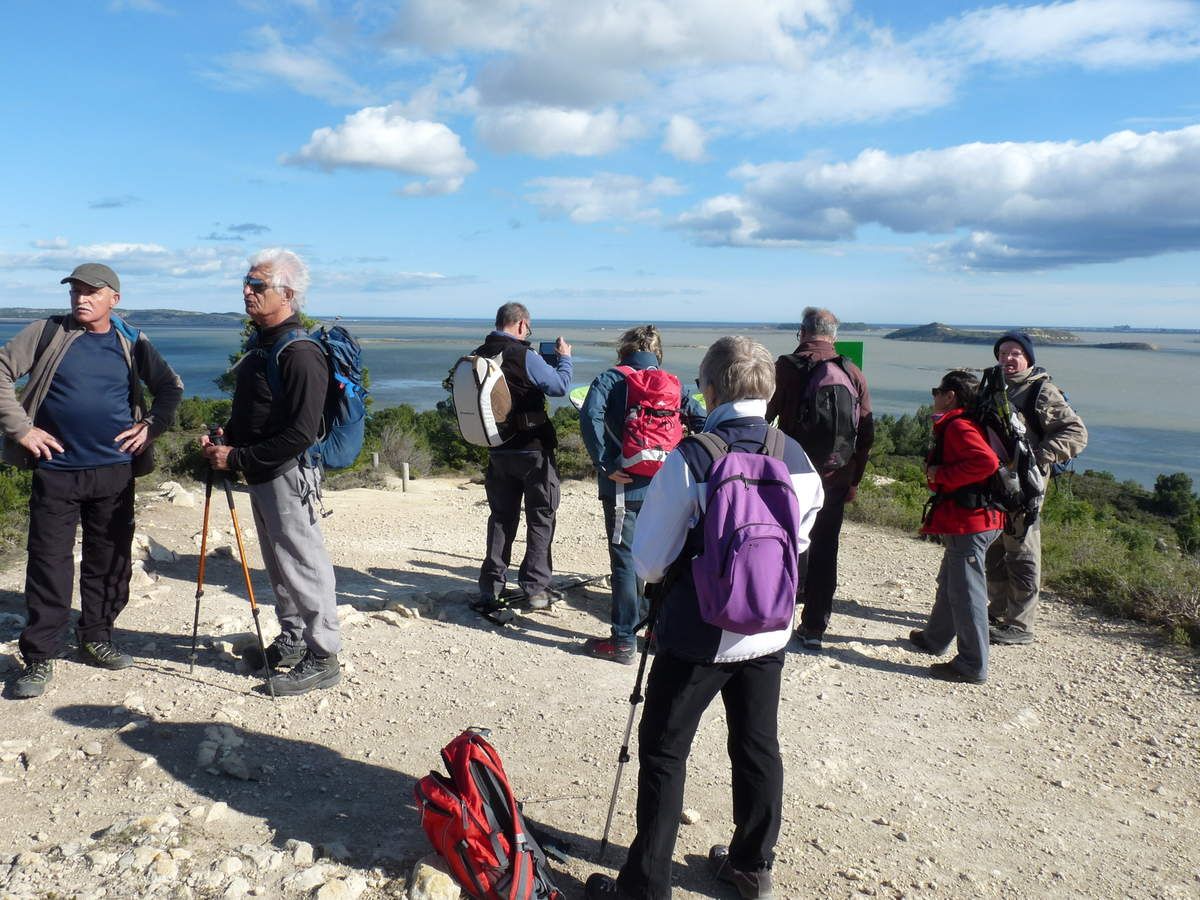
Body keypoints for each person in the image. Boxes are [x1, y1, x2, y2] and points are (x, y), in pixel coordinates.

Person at [586, 336, 824, 900]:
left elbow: (648, 562)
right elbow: (799, 540)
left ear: (711, 389)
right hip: (768, 628)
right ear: (768, 390)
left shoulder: (692, 458)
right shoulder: (797, 457)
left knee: (665, 753)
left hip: (699, 634)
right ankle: (751, 865)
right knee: (757, 745)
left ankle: (646, 888)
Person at [0, 263, 183, 699]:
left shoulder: (131, 340)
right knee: (48, 562)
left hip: (115, 471)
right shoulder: (48, 332)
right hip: (56, 469)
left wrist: (152, 426)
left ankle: (97, 636)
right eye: (75, 292)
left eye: (91, 292)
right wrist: (21, 429)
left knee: (110, 558)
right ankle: (40, 655)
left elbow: (170, 388)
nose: (80, 299)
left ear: (113, 299)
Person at [201, 248, 340, 697]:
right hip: (264, 472)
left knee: (303, 562)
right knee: (280, 563)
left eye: (257, 285)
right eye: (246, 282)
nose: (247, 290)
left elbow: (300, 432)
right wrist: (228, 437)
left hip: (288, 474)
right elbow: (260, 411)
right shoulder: (263, 345)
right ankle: (294, 639)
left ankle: (324, 655)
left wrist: (236, 459)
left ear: (288, 294)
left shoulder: (300, 352)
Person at [577, 325, 705, 663]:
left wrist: (604, 462)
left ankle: (623, 640)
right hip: (666, 486)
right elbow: (702, 419)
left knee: (625, 561)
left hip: (623, 485)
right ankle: (657, 632)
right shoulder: (672, 384)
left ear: (625, 349)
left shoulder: (611, 379)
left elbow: (589, 416)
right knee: (662, 558)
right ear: (656, 352)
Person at [766, 306, 873, 652]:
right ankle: (814, 627)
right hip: (835, 475)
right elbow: (866, 434)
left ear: (802, 332)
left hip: (792, 475)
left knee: (785, 542)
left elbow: (762, 417)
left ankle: (775, 616)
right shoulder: (851, 372)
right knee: (826, 547)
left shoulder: (785, 368)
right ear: (834, 337)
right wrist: (854, 480)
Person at [985, 332, 1087, 645]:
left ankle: (1020, 625)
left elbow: (1076, 433)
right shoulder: (993, 388)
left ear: (1028, 358)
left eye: (1015, 353)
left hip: (1024, 488)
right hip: (994, 483)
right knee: (995, 549)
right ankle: (996, 611)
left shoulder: (1041, 391)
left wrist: (1037, 457)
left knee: (1022, 553)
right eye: (1003, 353)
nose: (1008, 358)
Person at [475, 302, 572, 610]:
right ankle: (536, 589)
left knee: (501, 519)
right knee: (541, 516)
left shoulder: (479, 354)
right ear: (520, 324)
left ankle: (491, 587)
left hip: (498, 448)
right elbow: (559, 386)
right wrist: (565, 359)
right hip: (533, 449)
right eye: (528, 328)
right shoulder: (523, 355)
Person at [909, 371, 1003, 684]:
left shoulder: (959, 425)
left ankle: (972, 665)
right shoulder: (967, 422)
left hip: (971, 521)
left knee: (967, 593)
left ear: (950, 396)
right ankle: (934, 638)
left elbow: (986, 462)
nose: (934, 396)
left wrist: (941, 474)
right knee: (952, 580)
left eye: (936, 391)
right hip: (975, 518)